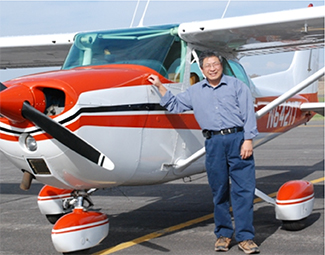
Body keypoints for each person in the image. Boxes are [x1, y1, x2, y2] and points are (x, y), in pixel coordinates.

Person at [148, 50, 260, 254]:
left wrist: (248, 140)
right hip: (214, 142)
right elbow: (174, 105)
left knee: (243, 191)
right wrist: (159, 86)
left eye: (215, 64)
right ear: (201, 69)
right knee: (219, 191)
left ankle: (246, 237)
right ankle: (224, 235)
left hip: (238, 140)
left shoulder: (237, 86)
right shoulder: (195, 91)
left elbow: (248, 113)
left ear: (221, 65)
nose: (212, 68)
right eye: (207, 65)